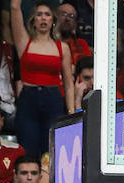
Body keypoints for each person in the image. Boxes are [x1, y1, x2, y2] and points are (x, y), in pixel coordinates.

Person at [9, 0, 76, 159]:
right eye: (39, 15)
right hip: (28, 99)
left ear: (53, 20)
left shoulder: (62, 48)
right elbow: (14, 7)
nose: (43, 18)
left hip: (53, 101)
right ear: (33, 20)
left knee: (51, 151)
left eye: (47, 15)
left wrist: (71, 113)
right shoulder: (24, 42)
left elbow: (68, 84)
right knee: (27, 150)